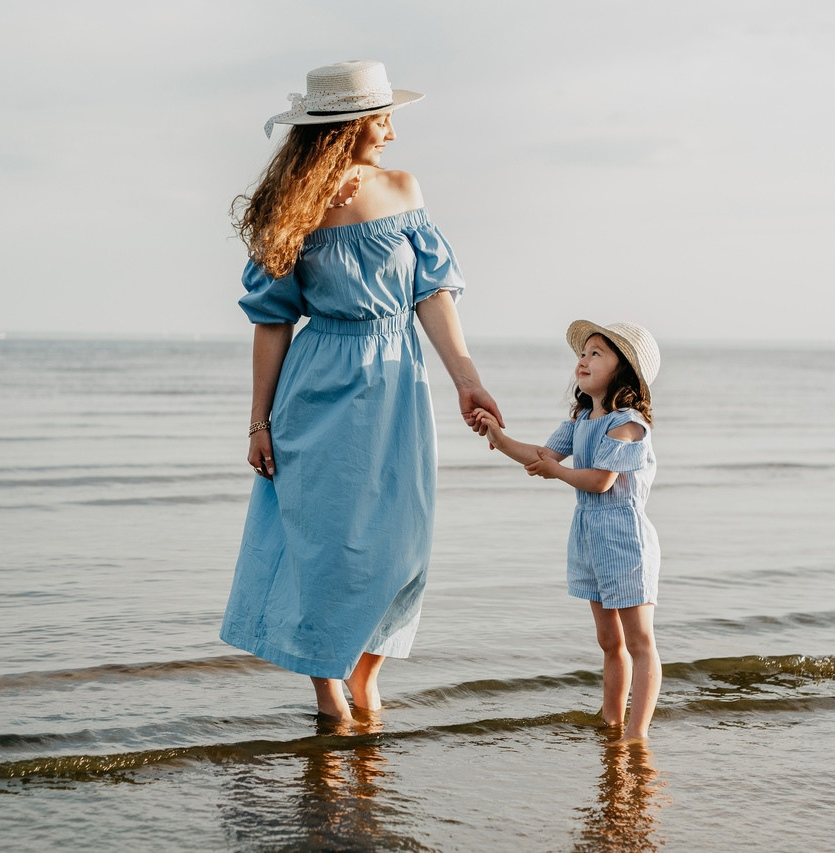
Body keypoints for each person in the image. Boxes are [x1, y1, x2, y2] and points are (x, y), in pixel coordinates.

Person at [222, 59, 503, 722]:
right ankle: (329, 693)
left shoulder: (403, 189)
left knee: (403, 546)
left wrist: (468, 379)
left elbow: (431, 293)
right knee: (321, 543)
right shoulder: (291, 207)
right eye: (382, 119)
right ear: (344, 126)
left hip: (398, 380)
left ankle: (365, 672)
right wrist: (258, 422)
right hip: (319, 385)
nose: (391, 133)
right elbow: (271, 321)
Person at [473, 320, 662, 741]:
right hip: (590, 539)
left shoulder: (627, 422)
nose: (584, 359)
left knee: (639, 642)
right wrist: (499, 438)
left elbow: (601, 480)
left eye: (597, 353)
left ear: (624, 371)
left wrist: (556, 471)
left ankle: (637, 733)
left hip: (625, 540)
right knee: (608, 641)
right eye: (584, 352)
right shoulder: (581, 417)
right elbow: (543, 454)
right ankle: (611, 720)